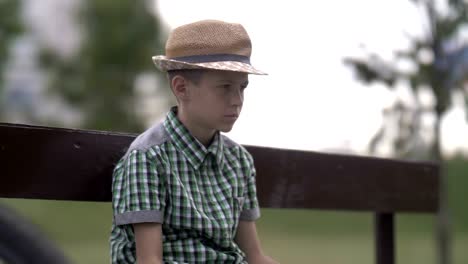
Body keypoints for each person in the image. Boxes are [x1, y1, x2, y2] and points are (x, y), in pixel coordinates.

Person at [110, 19, 278, 264]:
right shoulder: (147, 159)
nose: (237, 100)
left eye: (242, 88)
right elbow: (149, 260)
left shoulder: (238, 161)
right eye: (224, 87)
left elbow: (254, 256)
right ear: (181, 88)